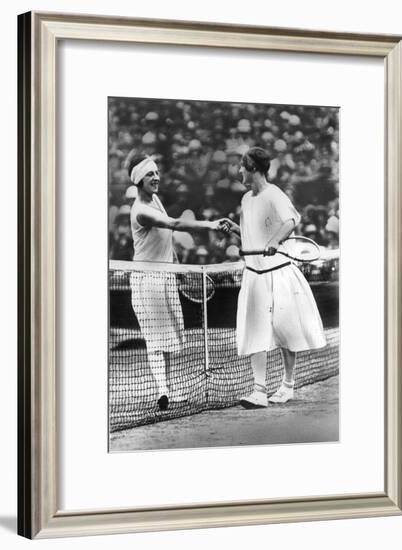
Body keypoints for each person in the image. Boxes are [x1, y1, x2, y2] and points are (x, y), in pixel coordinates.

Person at [225, 147, 326, 408]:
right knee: (255, 330)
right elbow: (252, 235)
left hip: (279, 273)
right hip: (255, 275)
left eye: (242, 167)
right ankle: (259, 391)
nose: (239, 172)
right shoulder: (246, 200)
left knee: (285, 330)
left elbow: (292, 220)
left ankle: (287, 385)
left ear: (254, 169)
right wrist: (236, 230)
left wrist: (274, 240)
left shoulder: (274, 194)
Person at [127, 153, 229, 410]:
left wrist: (177, 266)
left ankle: (168, 391)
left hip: (166, 276)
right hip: (146, 280)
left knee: (169, 339)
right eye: (150, 174)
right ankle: (163, 390)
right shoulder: (141, 210)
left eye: (157, 173)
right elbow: (173, 224)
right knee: (155, 339)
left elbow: (165, 238)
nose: (156, 177)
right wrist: (211, 224)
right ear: (139, 180)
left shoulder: (156, 199)